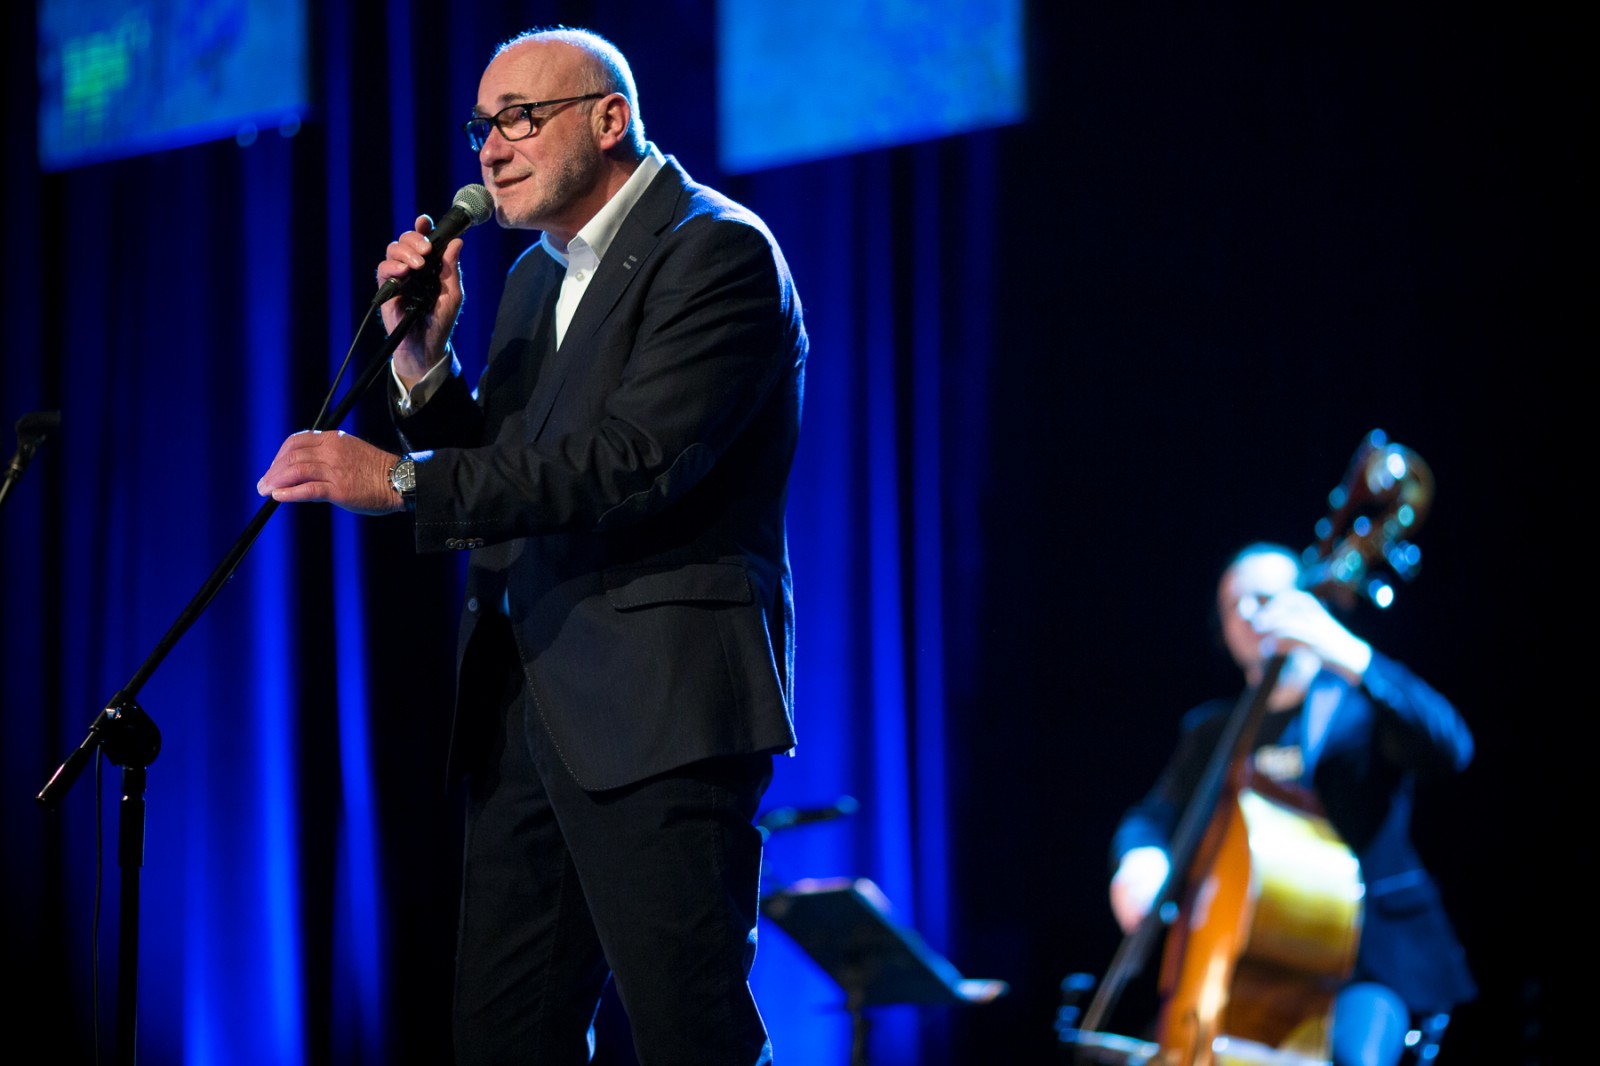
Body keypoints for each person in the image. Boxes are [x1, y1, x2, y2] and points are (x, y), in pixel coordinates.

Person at [258, 26, 806, 1065]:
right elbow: (508, 473)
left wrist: (397, 478)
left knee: (690, 1037)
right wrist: (424, 368)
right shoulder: (531, 281)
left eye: (519, 118)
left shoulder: (717, 252)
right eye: (481, 127)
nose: (492, 149)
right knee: (503, 1039)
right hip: (524, 708)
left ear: (609, 119)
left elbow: (630, 463)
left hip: (658, 710)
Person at [1106, 542, 1476, 1066]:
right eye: (1232, 605)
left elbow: (1449, 746)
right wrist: (1139, 860)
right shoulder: (1212, 733)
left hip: (1363, 964)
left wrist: (1348, 653)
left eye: (1263, 598)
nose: (1247, 614)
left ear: (1306, 605)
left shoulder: (1359, 709)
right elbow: (1153, 817)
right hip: (1242, 968)